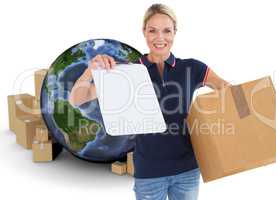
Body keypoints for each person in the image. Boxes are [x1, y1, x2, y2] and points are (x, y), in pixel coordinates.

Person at [69, 3, 230, 200]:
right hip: (149, 173)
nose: (160, 37)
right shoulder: (127, 72)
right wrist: (90, 70)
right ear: (144, 32)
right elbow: (77, 99)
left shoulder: (193, 68)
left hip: (187, 170)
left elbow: (228, 92)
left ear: (175, 33)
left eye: (166, 31)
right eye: (152, 30)